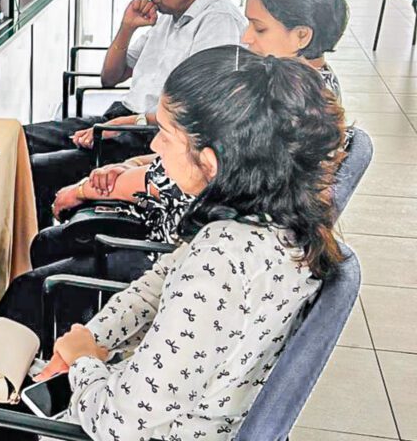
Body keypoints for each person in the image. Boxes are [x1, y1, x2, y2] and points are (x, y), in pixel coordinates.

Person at [41, 47, 345, 439]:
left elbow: (121, 426)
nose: (154, 147)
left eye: (166, 136)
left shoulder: (220, 261)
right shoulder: (276, 216)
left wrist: (83, 362)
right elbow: (155, 287)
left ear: (211, 163)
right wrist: (94, 337)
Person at [32, 0, 351, 271]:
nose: (246, 38)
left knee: (48, 246)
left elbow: (192, 177)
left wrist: (85, 189)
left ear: (302, 36)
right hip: (191, 220)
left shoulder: (284, 104)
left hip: (188, 248)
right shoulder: (306, 87)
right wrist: (131, 165)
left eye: (259, 28)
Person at [25, 0, 246, 229]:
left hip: (152, 136)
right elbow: (110, 77)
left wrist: (130, 123)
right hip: (121, 120)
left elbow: (198, 112)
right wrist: (127, 28)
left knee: (34, 170)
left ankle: (33, 242)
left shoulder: (218, 22)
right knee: (21, 141)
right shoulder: (167, 15)